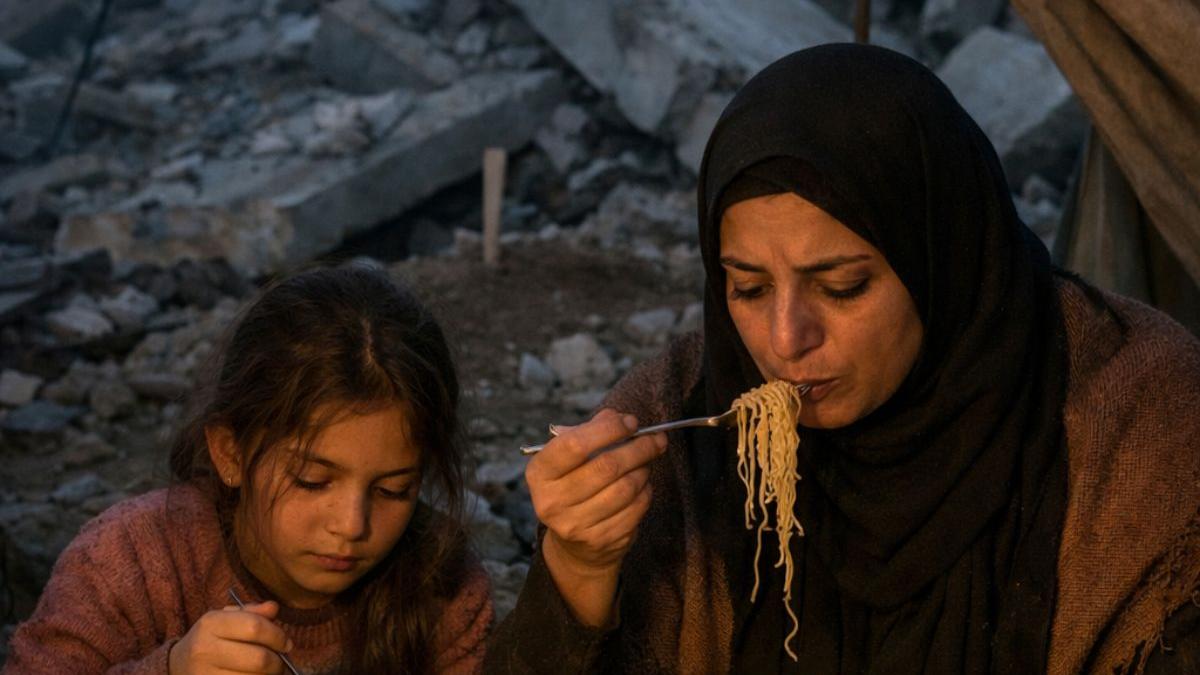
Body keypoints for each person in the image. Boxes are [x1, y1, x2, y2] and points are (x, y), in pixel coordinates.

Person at [486, 44, 1200, 674]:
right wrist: (578, 569)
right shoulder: (679, 416)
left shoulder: (1139, 428)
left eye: (842, 286)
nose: (785, 340)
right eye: (748, 288)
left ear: (940, 260)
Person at [4, 264, 493, 674]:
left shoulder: (440, 584)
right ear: (230, 454)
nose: (351, 525)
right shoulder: (130, 563)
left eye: (393, 490)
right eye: (311, 480)